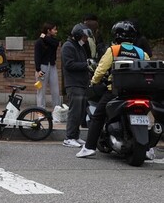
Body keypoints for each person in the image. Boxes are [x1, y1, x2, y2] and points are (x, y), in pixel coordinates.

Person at [77, 20, 150, 158]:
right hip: (138, 92)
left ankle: (89, 147)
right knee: (144, 116)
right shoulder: (141, 53)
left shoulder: (113, 50)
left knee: (98, 116)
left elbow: (100, 70)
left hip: (116, 92)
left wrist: (94, 81)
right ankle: (148, 149)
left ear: (117, 36)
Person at [61, 24, 92, 148]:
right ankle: (69, 137)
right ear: (78, 35)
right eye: (84, 36)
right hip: (73, 84)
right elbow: (69, 64)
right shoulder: (68, 46)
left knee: (80, 112)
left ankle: (75, 136)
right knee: (74, 112)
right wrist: (86, 65)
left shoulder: (79, 47)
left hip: (81, 83)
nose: (85, 39)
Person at [34, 22, 61, 109]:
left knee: (55, 90)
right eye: (54, 29)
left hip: (52, 65)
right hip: (42, 67)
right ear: (49, 30)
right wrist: (38, 70)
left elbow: (55, 43)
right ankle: (41, 111)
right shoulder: (39, 42)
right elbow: (37, 56)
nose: (56, 31)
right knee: (41, 90)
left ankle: (57, 111)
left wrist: (45, 36)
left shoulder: (52, 41)